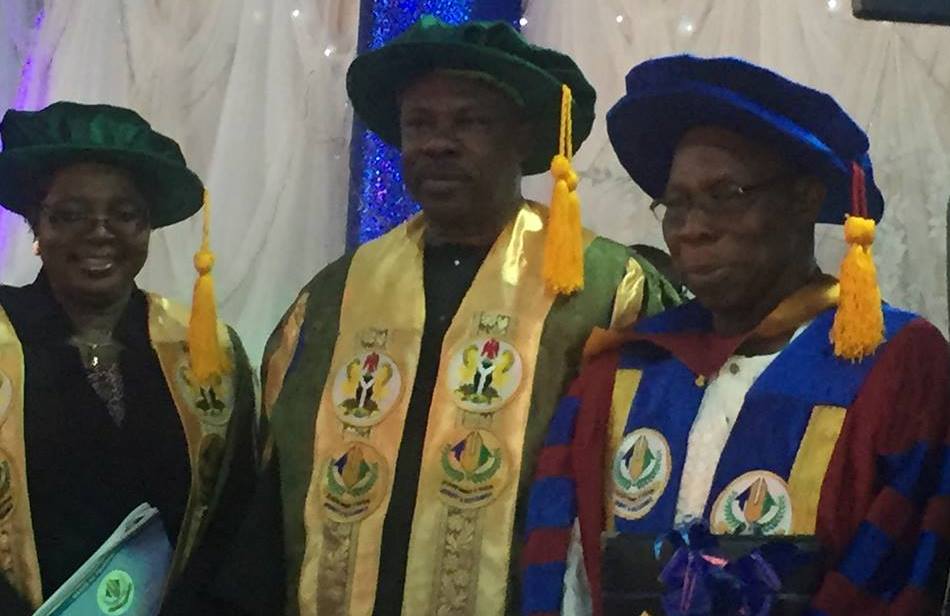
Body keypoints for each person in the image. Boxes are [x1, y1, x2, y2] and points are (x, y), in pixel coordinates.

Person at [216, 15, 680, 616]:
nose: (438, 142)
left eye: (470, 122)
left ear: (521, 138)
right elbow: (273, 497)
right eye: (419, 124)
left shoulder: (602, 290)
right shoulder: (335, 297)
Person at [521, 55, 950, 615]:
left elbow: (896, 574)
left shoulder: (893, 365)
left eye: (726, 195)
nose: (693, 228)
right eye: (676, 204)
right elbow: (561, 579)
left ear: (802, 199)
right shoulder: (620, 373)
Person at [0, 102, 257, 615]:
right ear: (36, 224)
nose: (100, 232)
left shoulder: (205, 350)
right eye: (70, 214)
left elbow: (235, 523)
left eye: (124, 214)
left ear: (147, 226)